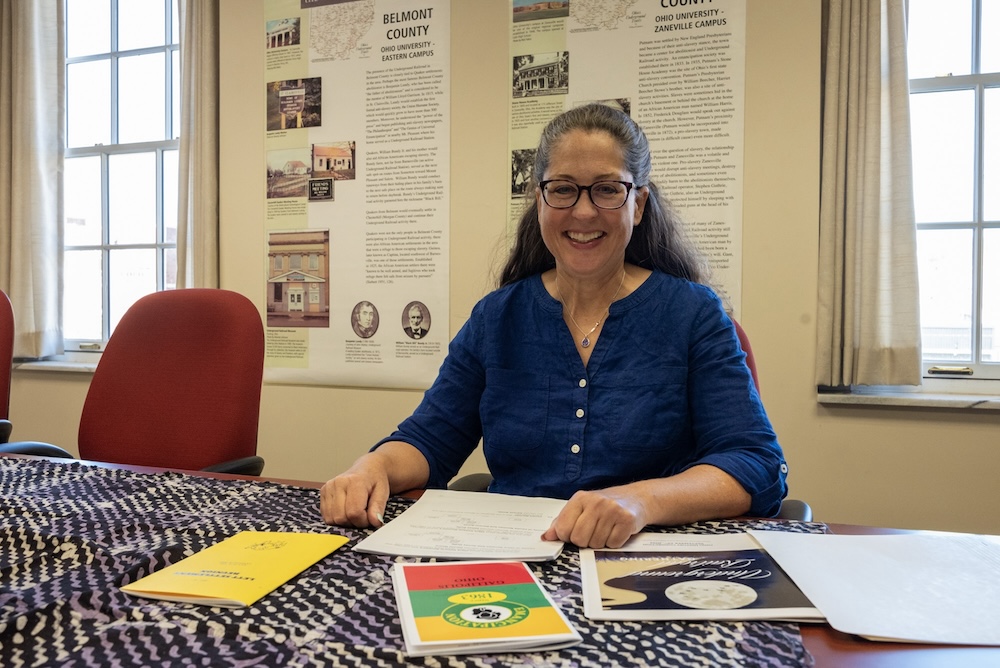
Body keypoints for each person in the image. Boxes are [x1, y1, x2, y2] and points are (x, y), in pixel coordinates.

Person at [321, 103, 788, 549]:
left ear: (639, 204)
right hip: (513, 559)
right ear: (539, 198)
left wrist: (641, 500)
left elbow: (755, 461)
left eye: (607, 189)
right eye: (563, 188)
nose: (583, 212)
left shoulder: (693, 314)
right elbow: (429, 439)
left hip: (642, 561)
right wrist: (372, 467)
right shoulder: (496, 317)